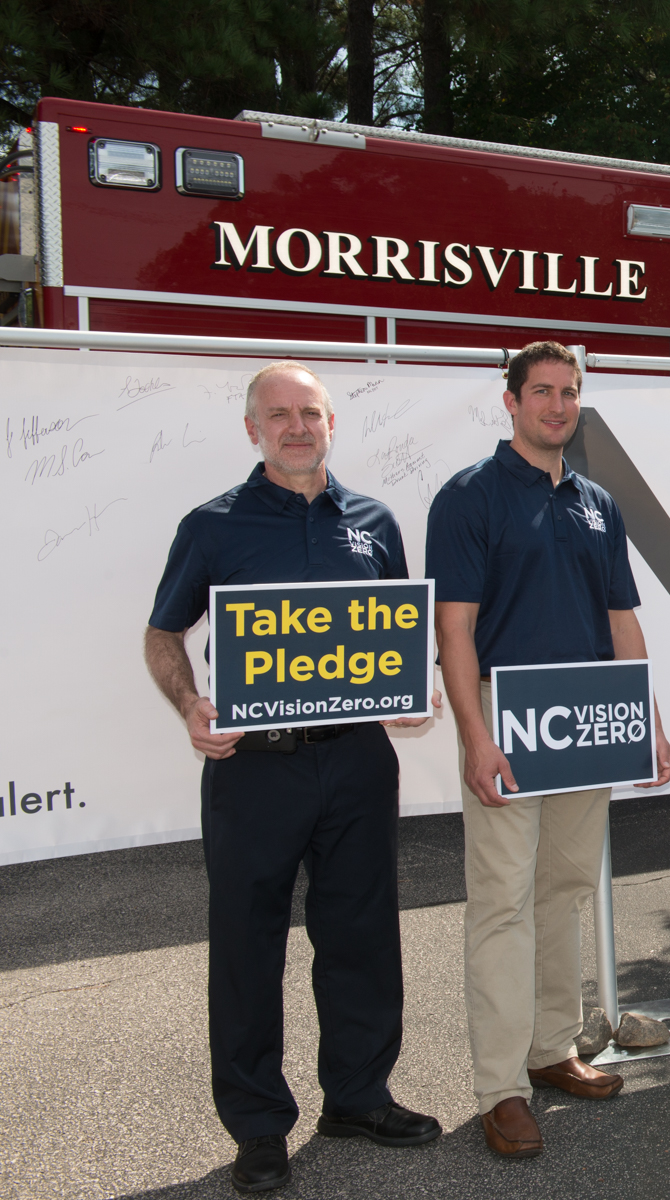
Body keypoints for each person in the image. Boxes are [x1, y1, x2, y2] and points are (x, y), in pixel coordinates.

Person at [144, 362, 442, 1195]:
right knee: (247, 946)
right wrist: (188, 704)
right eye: (279, 415)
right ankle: (258, 1126)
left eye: (310, 413)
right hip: (254, 767)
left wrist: (408, 690)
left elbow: (394, 636)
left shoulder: (375, 521)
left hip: (354, 760)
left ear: (332, 425)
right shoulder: (213, 525)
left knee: (362, 936)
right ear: (253, 430)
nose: (297, 426)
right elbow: (163, 633)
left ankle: (356, 1097)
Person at [427, 340, 670, 1160]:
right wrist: (475, 736)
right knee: (501, 897)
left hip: (589, 716)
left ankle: (550, 1049)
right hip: (509, 716)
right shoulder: (467, 498)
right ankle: (499, 1087)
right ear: (511, 400)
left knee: (563, 888)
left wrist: (646, 721)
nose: (558, 406)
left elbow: (622, 624)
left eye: (570, 393)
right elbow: (453, 630)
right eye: (542, 392)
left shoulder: (600, 502)